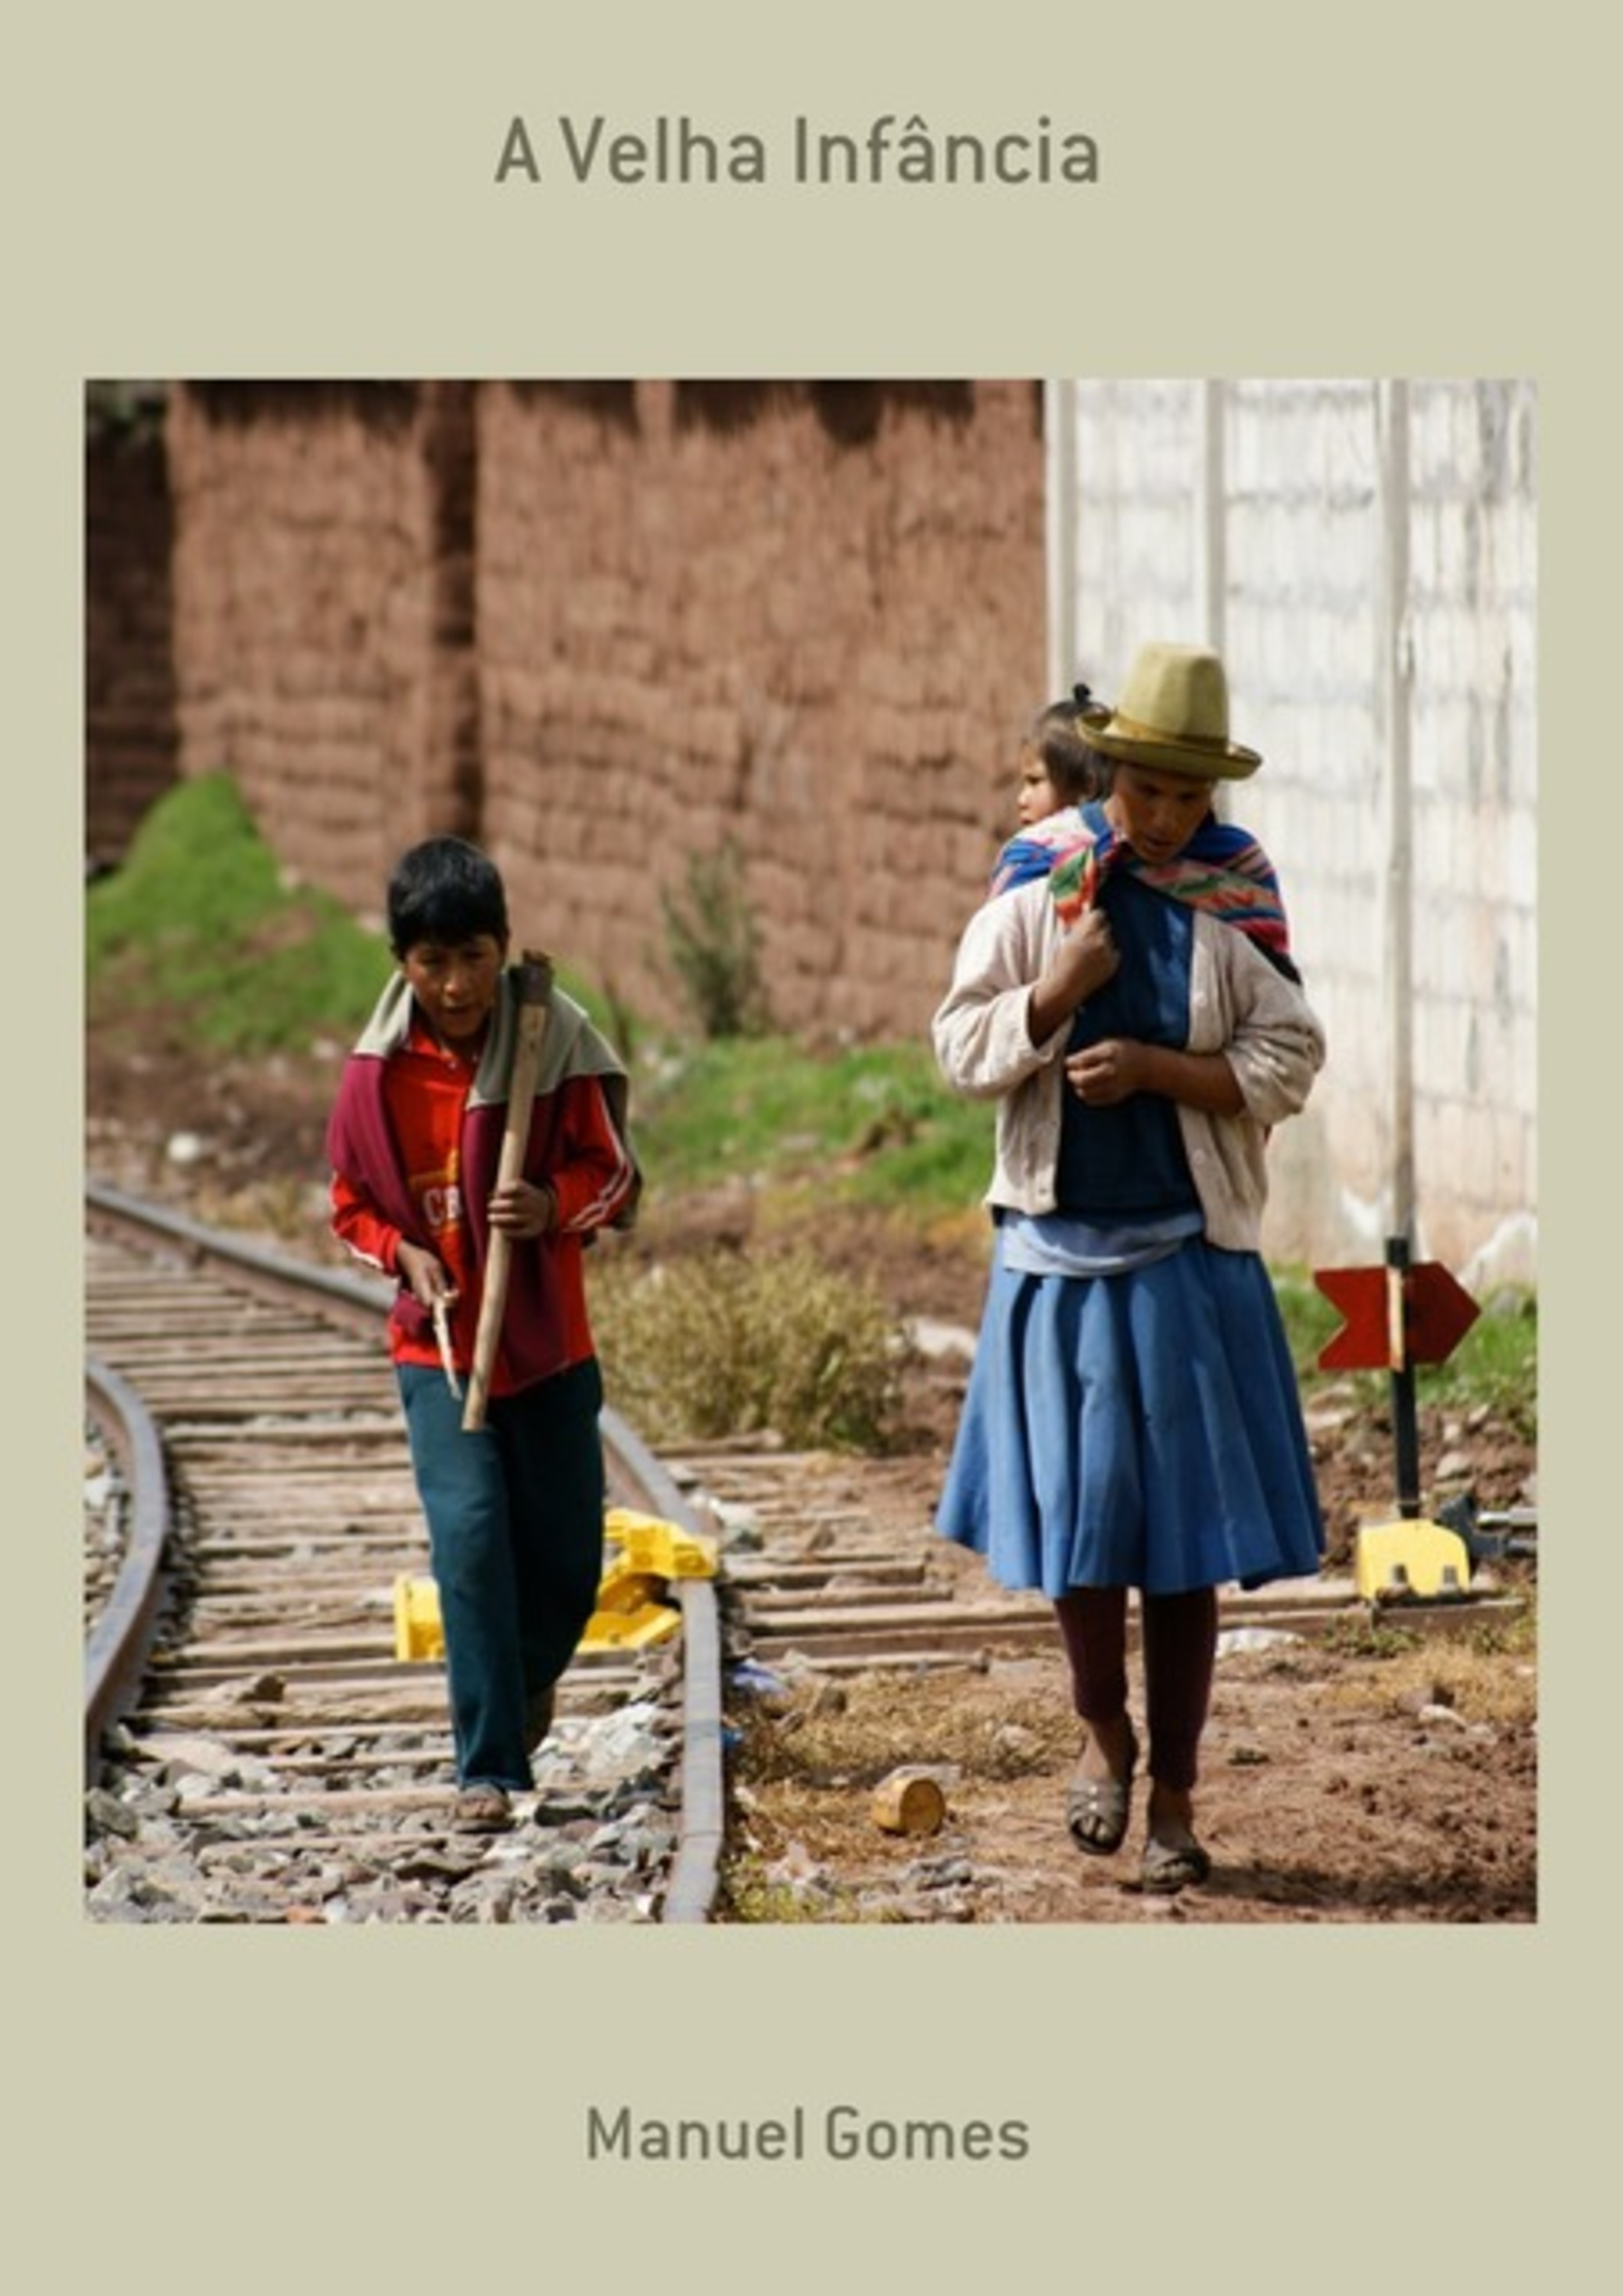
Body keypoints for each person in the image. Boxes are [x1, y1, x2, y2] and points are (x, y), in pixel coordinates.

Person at [932, 641, 1325, 1893]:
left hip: (1186, 1263)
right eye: (1144, 788)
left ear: (1211, 797)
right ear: (1109, 769)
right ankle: (1104, 1738)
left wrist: (1163, 1073)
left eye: (1186, 796)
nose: (1163, 817)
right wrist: (1053, 996)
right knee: (1089, 1530)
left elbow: (1290, 1057)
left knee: (1185, 1546)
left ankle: (1175, 1797)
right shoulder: (1037, 885)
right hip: (1058, 1264)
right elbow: (959, 1048)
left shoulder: (1231, 892)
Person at [327, 837, 638, 1833]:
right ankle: (490, 1770)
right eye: (431, 963)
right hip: (440, 1350)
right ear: (401, 964)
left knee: (563, 1568)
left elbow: (615, 1173)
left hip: (548, 1348)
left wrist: (551, 1204)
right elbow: (349, 1207)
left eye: (472, 958)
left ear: (503, 949)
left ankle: (523, 1681)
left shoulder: (554, 1038)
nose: (455, 986)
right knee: (468, 1546)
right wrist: (403, 1257)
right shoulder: (377, 1077)